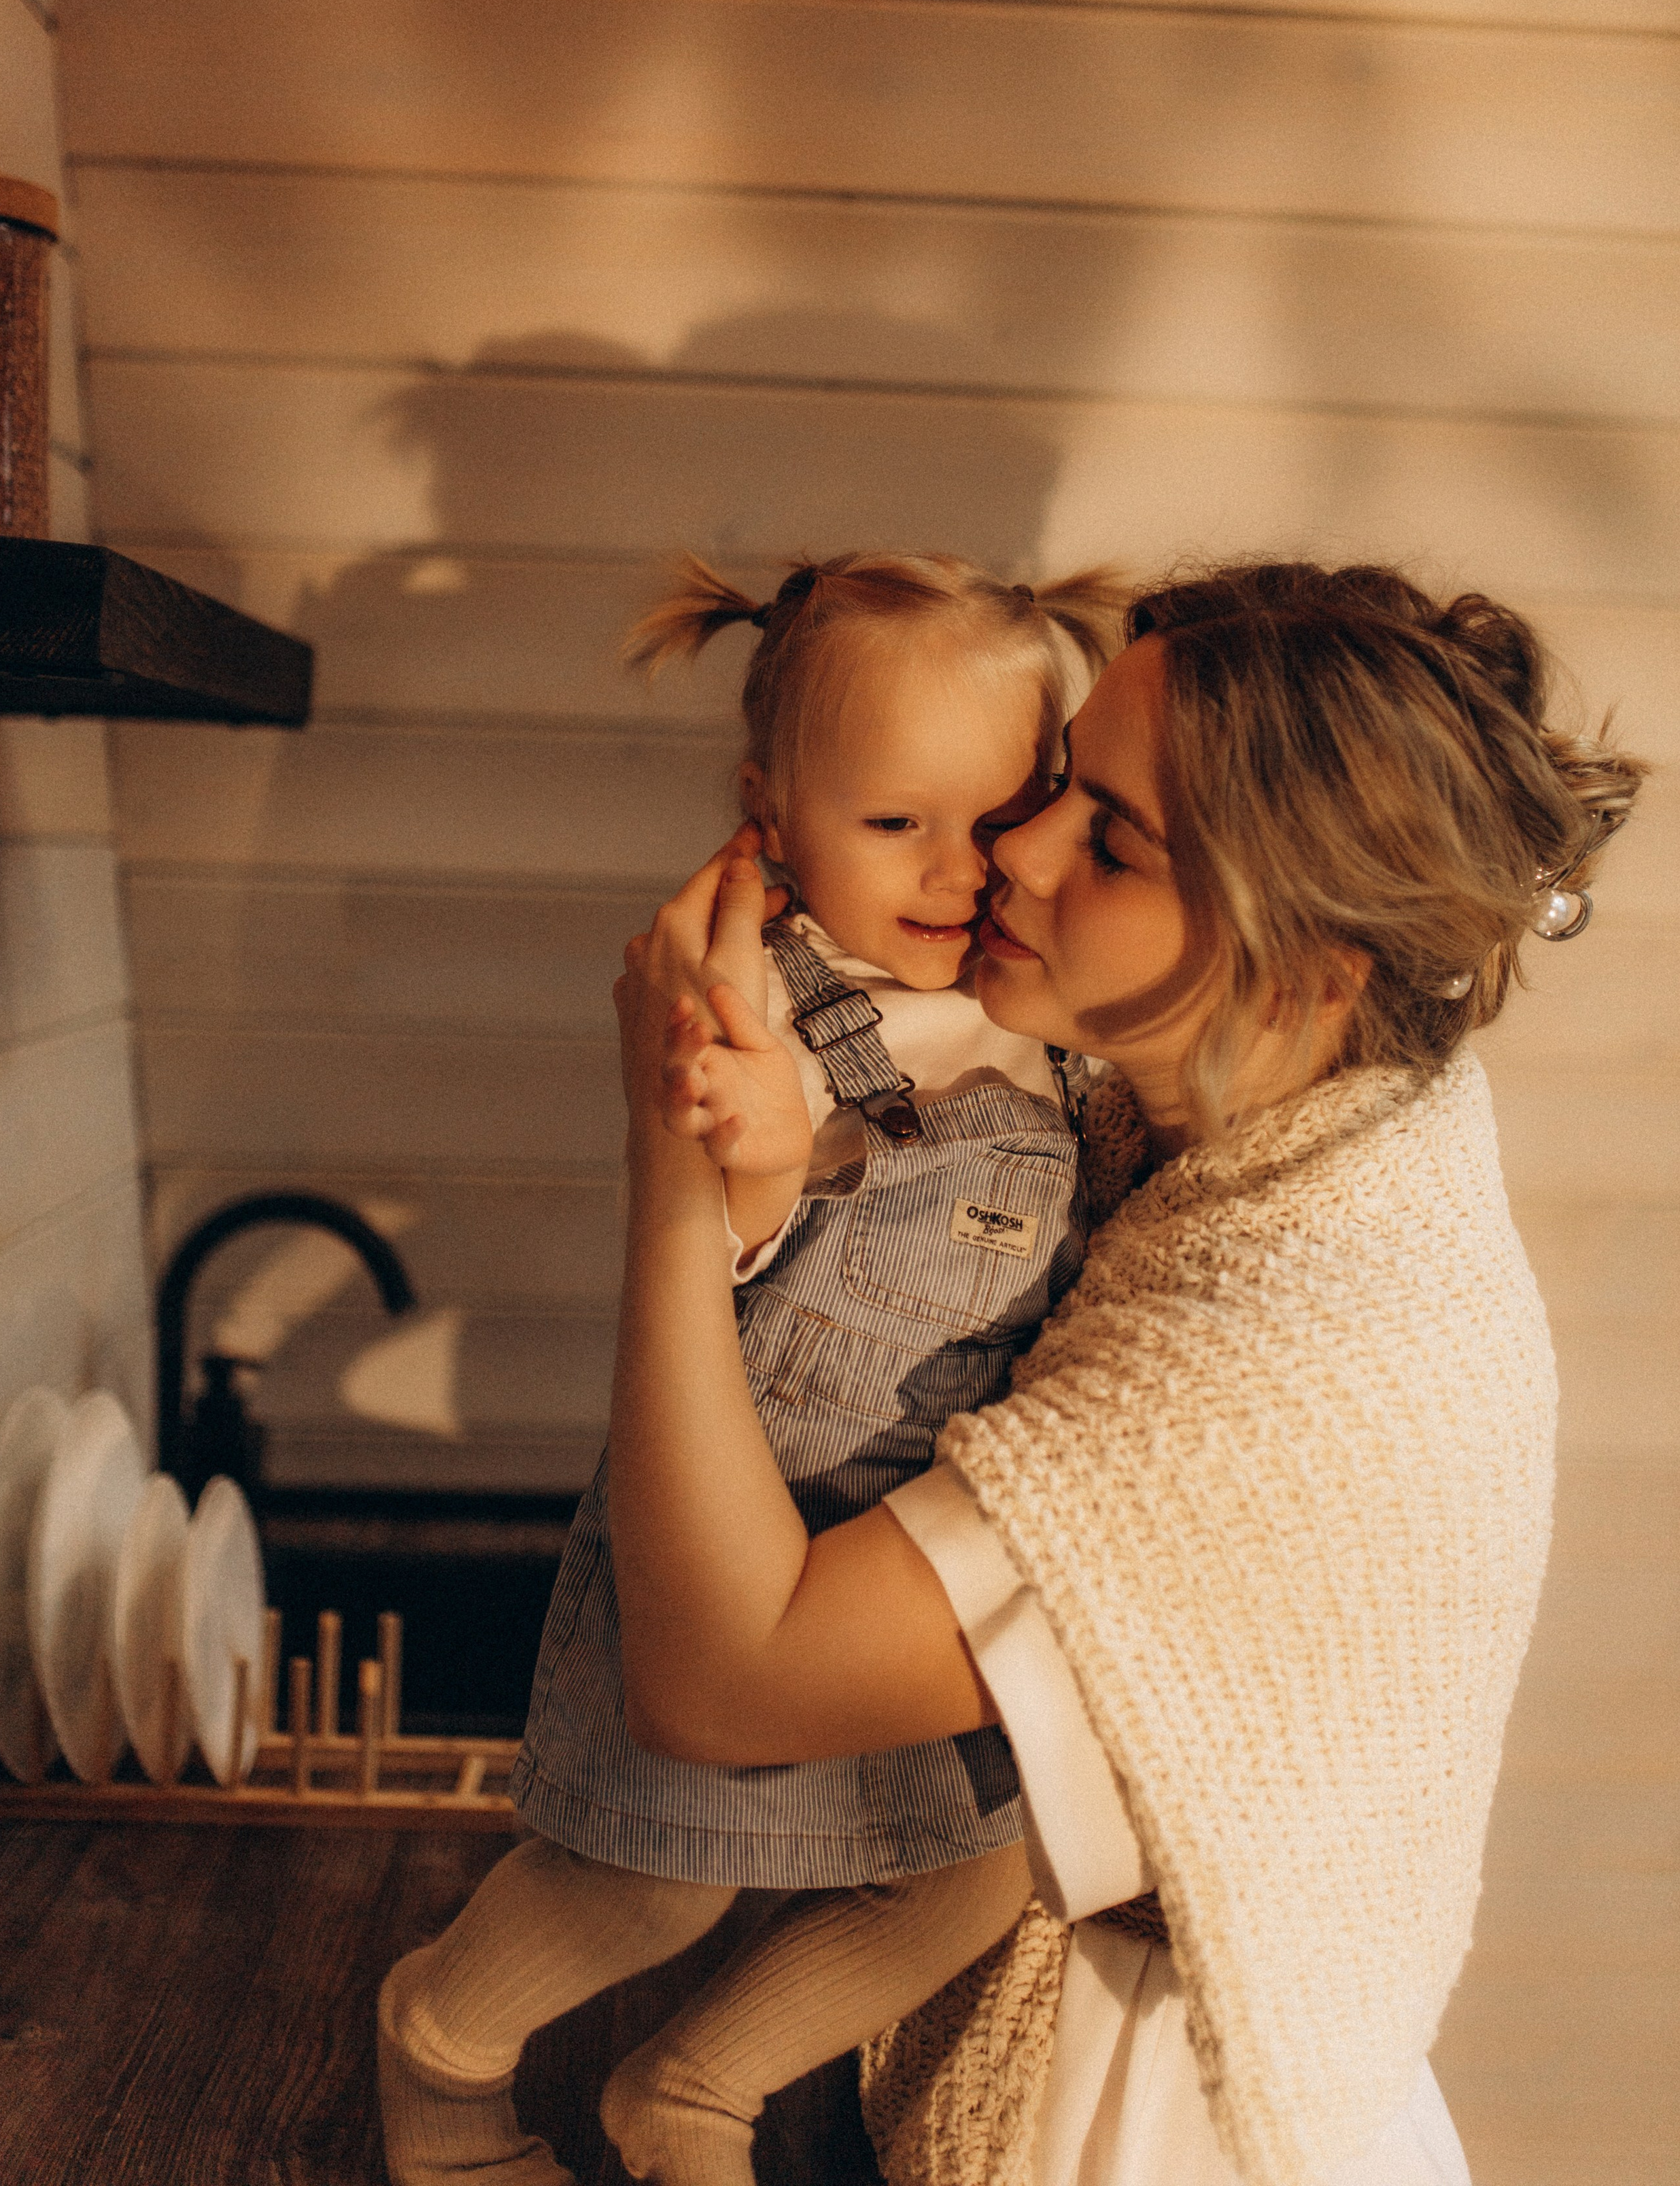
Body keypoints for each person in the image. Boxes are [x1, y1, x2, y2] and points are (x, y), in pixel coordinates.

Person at [604, 561, 1643, 2186]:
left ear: (1302, 965)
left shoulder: (1290, 1358)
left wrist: (669, 1161)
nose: (1010, 849)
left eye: (1107, 836)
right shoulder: (1242, 1117)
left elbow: (717, 1685)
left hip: (1149, 2124)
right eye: (1052, 783)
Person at [379, 551, 1123, 2186]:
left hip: (919, 1557)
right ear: (769, 815)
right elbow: (714, 1258)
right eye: (892, 824)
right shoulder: (754, 995)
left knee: (977, 1873)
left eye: (999, 819)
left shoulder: (1031, 1000)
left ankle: (696, 2090)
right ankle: (439, 2048)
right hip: (746, 1524)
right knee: (652, 1876)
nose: (957, 873)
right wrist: (764, 1159)